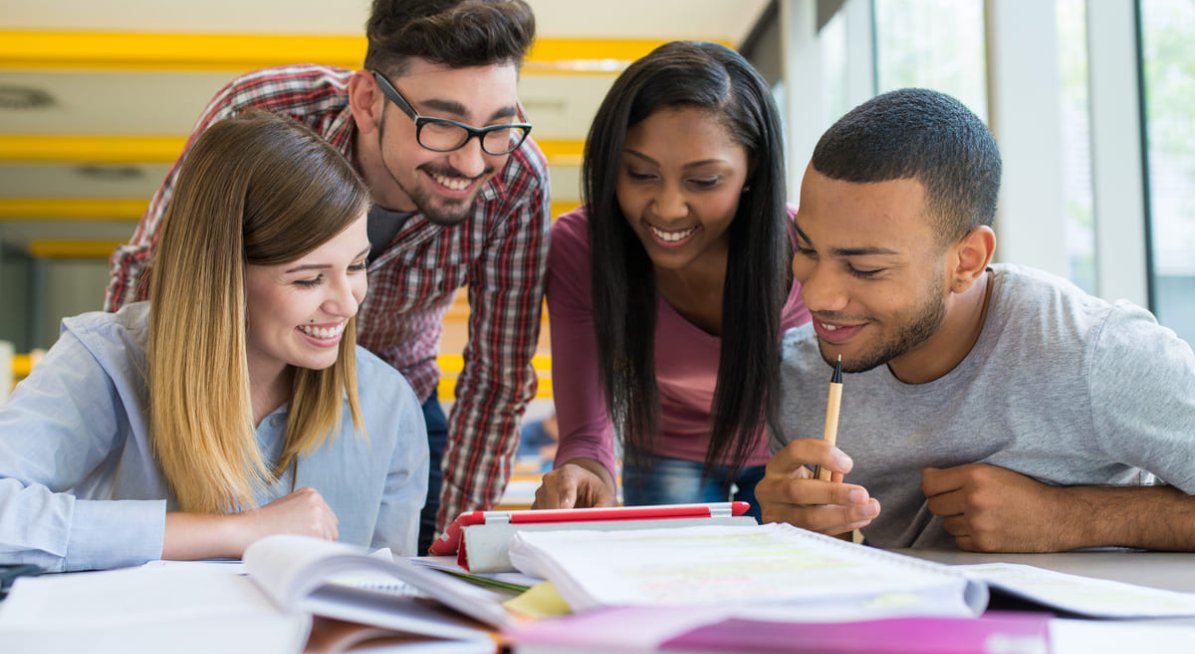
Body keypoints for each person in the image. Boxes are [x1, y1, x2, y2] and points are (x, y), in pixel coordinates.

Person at [104, 0, 550, 552]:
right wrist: (123, 400)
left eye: (498, 128)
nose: (472, 162)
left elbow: (498, 375)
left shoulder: (520, 180)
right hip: (228, 392)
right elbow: (156, 273)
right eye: (441, 125)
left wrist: (457, 539)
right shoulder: (266, 113)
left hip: (396, 400)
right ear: (367, 101)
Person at [758, 88, 1195, 551]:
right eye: (806, 249)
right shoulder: (796, 373)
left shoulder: (1097, 352)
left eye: (866, 269)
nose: (818, 295)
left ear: (966, 261)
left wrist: (1072, 518)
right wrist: (797, 536)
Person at [0, 113, 428, 571]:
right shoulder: (107, 360)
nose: (347, 304)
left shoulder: (387, 402)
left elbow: (389, 597)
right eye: (308, 280)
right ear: (222, 280)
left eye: (357, 266)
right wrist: (238, 531)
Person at [534, 41, 810, 519]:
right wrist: (587, 470)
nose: (667, 208)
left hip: (791, 454)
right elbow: (585, 431)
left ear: (753, 170)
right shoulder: (582, 246)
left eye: (704, 181)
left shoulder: (808, 249)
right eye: (640, 173)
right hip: (665, 451)